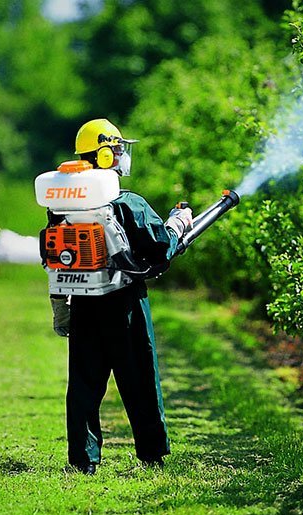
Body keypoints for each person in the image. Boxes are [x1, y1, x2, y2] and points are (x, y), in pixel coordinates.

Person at [50, 119, 193, 475]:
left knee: (84, 384)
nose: (119, 155)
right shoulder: (127, 203)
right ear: (102, 153)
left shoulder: (61, 205)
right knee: (140, 377)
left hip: (84, 301)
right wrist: (178, 224)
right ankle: (152, 452)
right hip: (126, 303)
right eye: (115, 148)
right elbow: (160, 247)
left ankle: (83, 460)